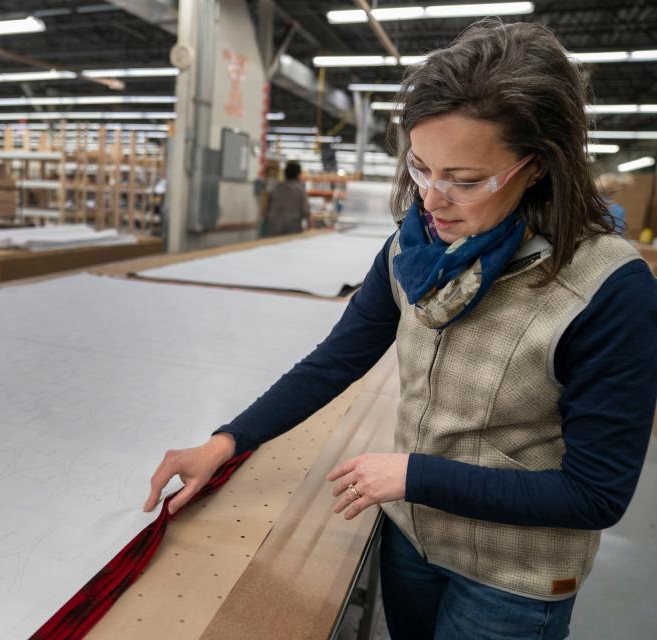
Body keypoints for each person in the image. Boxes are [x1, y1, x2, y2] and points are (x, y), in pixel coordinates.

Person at [144, 20, 657, 640]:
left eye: (465, 181)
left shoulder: (605, 289)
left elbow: (594, 495)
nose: (433, 201)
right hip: (412, 539)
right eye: (420, 167)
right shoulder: (412, 250)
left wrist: (415, 475)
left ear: (539, 167)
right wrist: (227, 442)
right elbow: (335, 359)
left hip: (511, 579)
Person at [264, 160, 311, 235]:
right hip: (293, 231)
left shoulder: (276, 189)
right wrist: (310, 231)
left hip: (275, 230)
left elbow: (267, 211)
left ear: (285, 173)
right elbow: (307, 213)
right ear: (298, 174)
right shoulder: (300, 191)